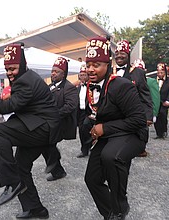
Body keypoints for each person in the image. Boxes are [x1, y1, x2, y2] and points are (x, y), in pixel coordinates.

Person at [0, 43, 61, 219]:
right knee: (21, 166)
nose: (9, 72)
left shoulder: (26, 81)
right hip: (36, 124)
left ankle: (11, 183)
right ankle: (36, 208)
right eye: (7, 69)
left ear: (22, 65)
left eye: (13, 68)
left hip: (43, 127)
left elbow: (7, 107)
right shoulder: (25, 77)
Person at [83, 36, 147, 220]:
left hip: (133, 133)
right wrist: (94, 126)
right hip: (111, 134)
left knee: (111, 156)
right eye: (88, 65)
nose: (91, 69)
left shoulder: (121, 85)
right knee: (91, 179)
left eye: (96, 65)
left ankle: (120, 206)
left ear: (107, 64)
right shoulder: (90, 86)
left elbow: (139, 120)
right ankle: (110, 213)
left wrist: (104, 128)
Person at [41, 57, 78, 181]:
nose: (53, 73)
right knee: (44, 143)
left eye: (57, 72)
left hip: (61, 123)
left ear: (64, 74)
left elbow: (71, 106)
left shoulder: (69, 87)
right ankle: (58, 171)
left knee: (48, 143)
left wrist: (55, 115)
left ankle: (54, 161)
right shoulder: (50, 86)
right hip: (49, 122)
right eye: (52, 71)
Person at [114, 40, 153, 157]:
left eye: (123, 53)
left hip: (133, 114)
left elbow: (145, 95)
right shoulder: (110, 72)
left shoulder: (138, 73)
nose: (119, 56)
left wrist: (148, 116)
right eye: (117, 53)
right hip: (115, 114)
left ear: (128, 55)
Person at [76, 64, 91, 158]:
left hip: (88, 112)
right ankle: (84, 150)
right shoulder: (78, 87)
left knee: (87, 129)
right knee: (81, 130)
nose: (82, 77)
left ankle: (91, 147)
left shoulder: (92, 87)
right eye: (81, 75)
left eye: (84, 74)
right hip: (80, 112)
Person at [154, 62, 169, 139]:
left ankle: (164, 131)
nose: (159, 74)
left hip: (164, 101)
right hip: (156, 102)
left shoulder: (168, 81)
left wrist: (168, 101)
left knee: (163, 115)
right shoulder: (154, 80)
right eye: (158, 72)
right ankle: (158, 133)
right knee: (156, 117)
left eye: (161, 72)